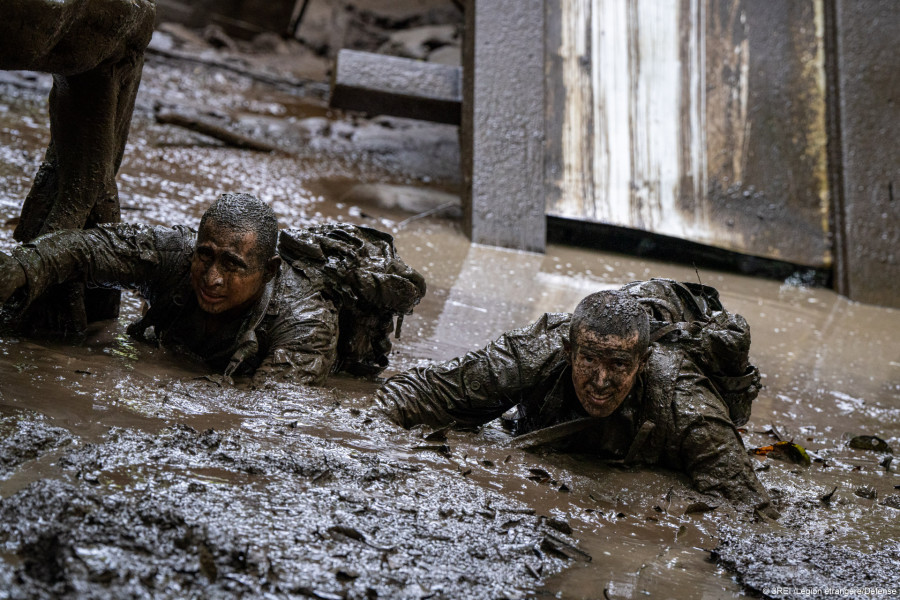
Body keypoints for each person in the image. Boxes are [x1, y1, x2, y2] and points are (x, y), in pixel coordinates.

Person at [375, 283, 777, 517]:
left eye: (619, 364)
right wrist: (368, 438)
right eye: (588, 360)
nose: (601, 381)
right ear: (568, 351)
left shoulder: (684, 399)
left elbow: (750, 508)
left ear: (643, 362)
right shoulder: (532, 352)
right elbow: (421, 391)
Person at [0, 193, 426, 385]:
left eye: (233, 265)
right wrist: (17, 269)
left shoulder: (305, 321)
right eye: (207, 256)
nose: (212, 278)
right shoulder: (176, 254)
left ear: (269, 269)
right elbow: (87, 249)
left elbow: (274, 410)